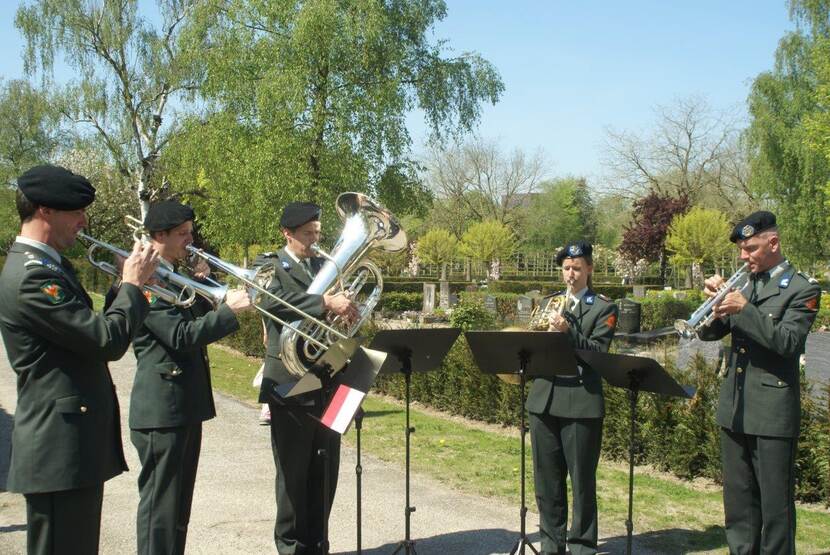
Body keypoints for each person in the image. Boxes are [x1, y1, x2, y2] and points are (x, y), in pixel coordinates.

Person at [0, 164, 159, 555]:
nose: (83, 221)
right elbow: (106, 340)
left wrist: (123, 286)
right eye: (76, 211)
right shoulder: (33, 275)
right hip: (59, 452)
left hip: (70, 448)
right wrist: (135, 288)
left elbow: (85, 328)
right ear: (45, 211)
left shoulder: (49, 264)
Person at [125, 200, 252, 555]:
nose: (190, 240)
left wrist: (203, 287)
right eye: (183, 234)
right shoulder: (148, 280)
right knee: (160, 512)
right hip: (162, 410)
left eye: (190, 232)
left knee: (178, 509)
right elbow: (181, 337)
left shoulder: (171, 274)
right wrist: (227, 312)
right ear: (159, 235)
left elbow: (190, 320)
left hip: (181, 406)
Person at [698, 211, 820, 555]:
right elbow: (708, 332)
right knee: (738, 508)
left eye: (750, 247)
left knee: (775, 510)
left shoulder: (802, 287)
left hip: (772, 413)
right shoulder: (744, 284)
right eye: (741, 249)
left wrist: (745, 309)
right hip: (735, 407)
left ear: (773, 242)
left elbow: (788, 342)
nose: (743, 256)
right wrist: (712, 302)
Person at [255, 202, 358, 555]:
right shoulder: (268, 265)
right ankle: (290, 547)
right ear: (287, 233)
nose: (314, 241)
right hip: (287, 382)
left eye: (317, 233)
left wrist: (346, 316)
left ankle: (318, 543)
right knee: (293, 474)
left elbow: (333, 321)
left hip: (326, 379)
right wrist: (325, 303)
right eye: (306, 235)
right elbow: (270, 301)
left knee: (325, 469)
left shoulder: (324, 267)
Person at [526, 240, 619, 555]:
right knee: (547, 481)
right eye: (566, 268)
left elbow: (597, 354)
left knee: (581, 482)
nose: (570, 274)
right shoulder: (549, 302)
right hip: (544, 400)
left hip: (581, 401)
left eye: (577, 268)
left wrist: (569, 332)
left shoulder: (604, 307)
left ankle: (581, 546)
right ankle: (552, 544)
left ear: (590, 269)